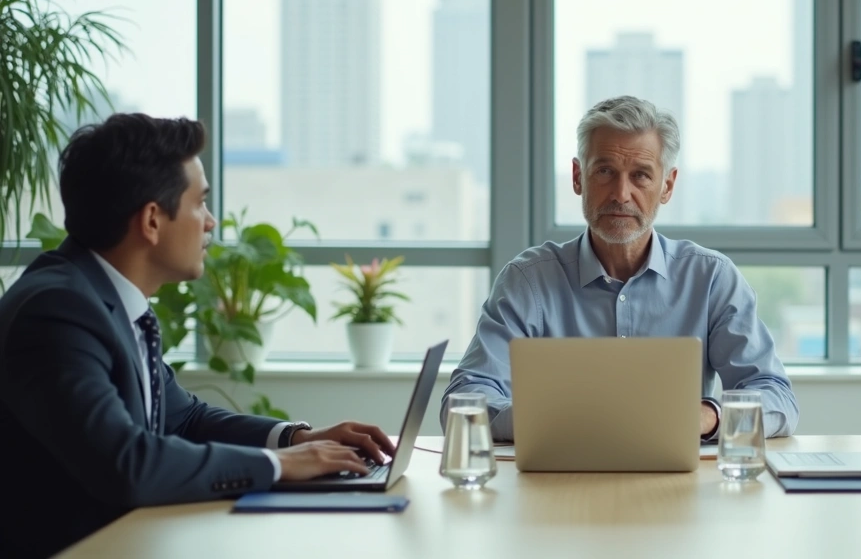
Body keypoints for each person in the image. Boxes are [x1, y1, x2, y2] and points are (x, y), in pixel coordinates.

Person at [0, 114, 395, 558]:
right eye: (200, 203)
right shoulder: (57, 312)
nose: (210, 222)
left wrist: (294, 439)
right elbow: (126, 464)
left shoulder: (104, 299)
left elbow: (183, 419)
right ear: (152, 220)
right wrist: (279, 465)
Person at [443, 95, 799, 442]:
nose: (621, 194)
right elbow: (464, 403)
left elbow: (776, 398)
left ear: (667, 186)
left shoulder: (711, 279)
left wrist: (707, 417)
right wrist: (558, 421)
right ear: (578, 177)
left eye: (641, 175)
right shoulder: (528, 282)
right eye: (605, 171)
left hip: (679, 491)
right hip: (555, 489)